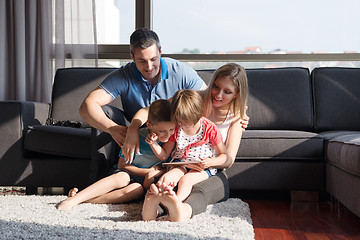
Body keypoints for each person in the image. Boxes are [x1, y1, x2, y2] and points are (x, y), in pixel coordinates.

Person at [76, 28, 207, 205]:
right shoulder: (124, 74)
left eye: (154, 59)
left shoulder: (181, 71)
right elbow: (86, 106)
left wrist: (236, 114)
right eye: (141, 61)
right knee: (105, 113)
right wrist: (114, 128)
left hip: (173, 141)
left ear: (160, 52)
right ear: (132, 57)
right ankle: (101, 181)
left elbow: (208, 100)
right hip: (138, 140)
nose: (149, 67)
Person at [125, 63, 248, 221]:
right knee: (166, 181)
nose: (218, 95)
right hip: (180, 163)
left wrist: (209, 163)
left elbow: (228, 159)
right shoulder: (191, 102)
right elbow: (150, 111)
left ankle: (180, 209)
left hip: (210, 169)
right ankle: (154, 209)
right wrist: (133, 128)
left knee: (197, 190)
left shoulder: (236, 117)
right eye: (216, 87)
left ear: (237, 93)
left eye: (228, 92)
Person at [56, 99, 175, 210]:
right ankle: (76, 199)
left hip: (146, 183)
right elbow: (122, 166)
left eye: (171, 129)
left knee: (136, 190)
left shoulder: (173, 140)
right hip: (127, 173)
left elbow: (169, 164)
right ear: (149, 125)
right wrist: (146, 171)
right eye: (162, 131)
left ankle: (84, 199)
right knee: (122, 177)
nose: (168, 135)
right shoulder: (135, 137)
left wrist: (155, 172)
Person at [141, 90, 228, 220]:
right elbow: (164, 155)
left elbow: (224, 155)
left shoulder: (209, 128)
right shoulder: (177, 128)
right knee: (167, 178)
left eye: (189, 123)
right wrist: (154, 144)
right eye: (180, 122)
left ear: (199, 115)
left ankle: (176, 203)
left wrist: (210, 162)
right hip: (181, 164)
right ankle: (154, 201)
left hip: (203, 167)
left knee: (186, 181)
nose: (184, 126)